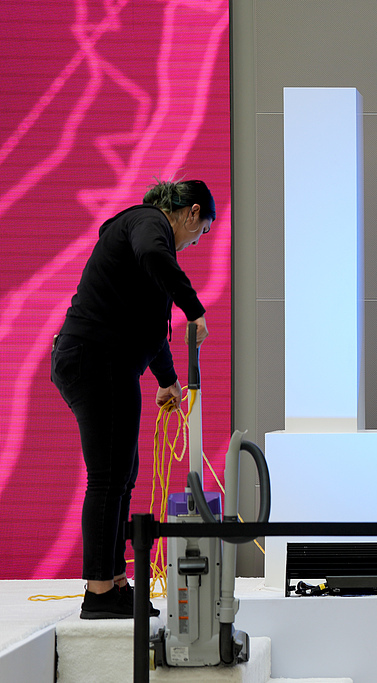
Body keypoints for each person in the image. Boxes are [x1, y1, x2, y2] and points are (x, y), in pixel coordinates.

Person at [51, 179, 214, 619]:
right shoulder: (148, 223)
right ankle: (99, 593)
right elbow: (155, 256)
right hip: (94, 359)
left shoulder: (144, 249)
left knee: (123, 473)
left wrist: (168, 380)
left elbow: (148, 325)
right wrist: (194, 308)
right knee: (108, 476)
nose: (196, 243)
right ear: (191, 213)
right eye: (201, 232)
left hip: (104, 362)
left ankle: (115, 580)